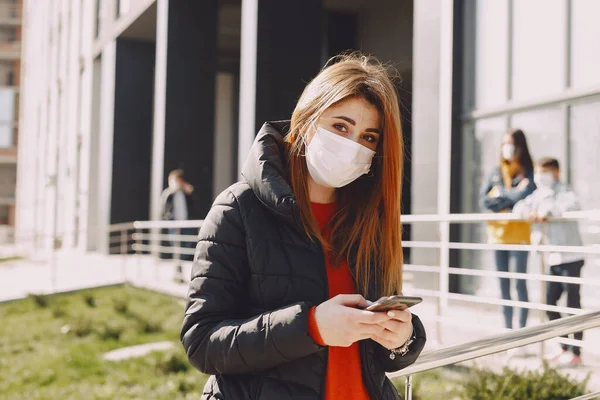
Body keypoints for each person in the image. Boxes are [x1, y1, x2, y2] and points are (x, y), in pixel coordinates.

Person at [181, 54, 426, 400]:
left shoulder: (368, 221)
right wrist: (310, 327)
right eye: (340, 126)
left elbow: (378, 357)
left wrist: (403, 338)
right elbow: (201, 342)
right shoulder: (238, 209)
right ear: (308, 122)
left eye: (369, 137)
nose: (353, 146)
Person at [513, 157, 584, 366]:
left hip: (571, 256)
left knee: (573, 304)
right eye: (537, 172)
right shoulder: (537, 194)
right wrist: (531, 214)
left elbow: (571, 206)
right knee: (549, 303)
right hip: (552, 257)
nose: (540, 177)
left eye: (544, 172)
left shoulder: (565, 191)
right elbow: (519, 208)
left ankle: (576, 352)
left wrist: (547, 212)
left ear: (555, 172)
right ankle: (563, 346)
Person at [479, 129, 536, 330]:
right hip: (498, 236)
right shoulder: (496, 171)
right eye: (504, 143)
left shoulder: (530, 171)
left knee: (519, 284)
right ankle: (507, 330)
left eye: (510, 143)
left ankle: (522, 331)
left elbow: (528, 196)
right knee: (503, 286)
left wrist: (500, 195)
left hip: (519, 235)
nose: (507, 148)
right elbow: (485, 200)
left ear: (520, 146)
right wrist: (513, 194)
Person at [160, 169, 196, 282]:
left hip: (186, 225)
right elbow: (164, 209)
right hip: (175, 225)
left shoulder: (185, 193)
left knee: (186, 246)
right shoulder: (169, 193)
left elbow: (193, 206)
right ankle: (178, 271)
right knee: (177, 248)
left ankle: (179, 267)